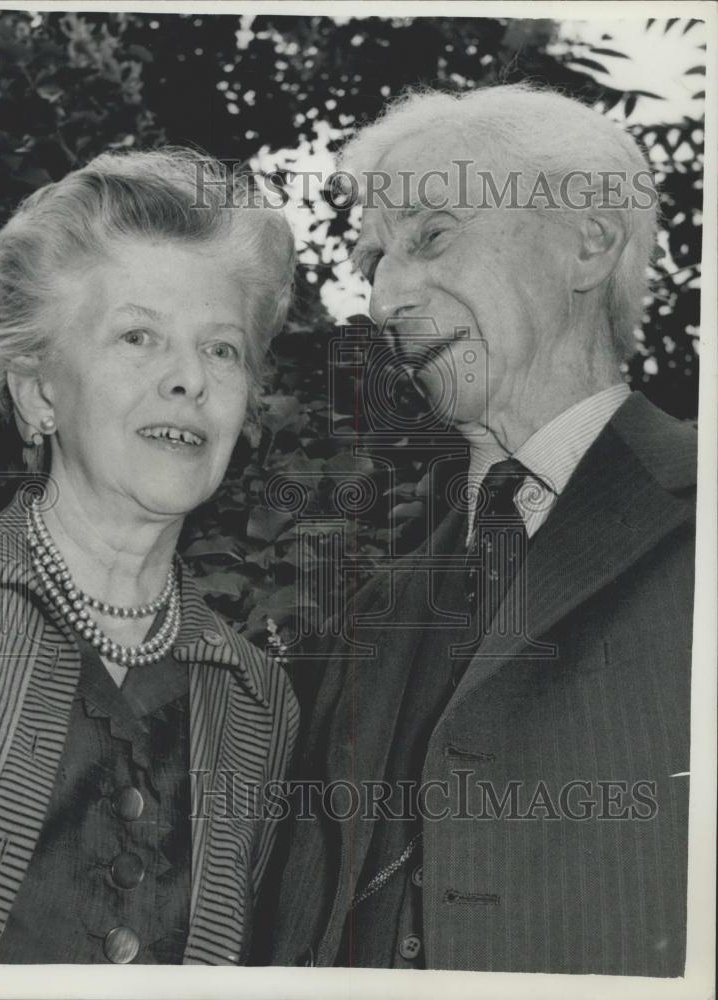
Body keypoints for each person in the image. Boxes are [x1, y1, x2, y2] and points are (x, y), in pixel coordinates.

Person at [267, 84, 697, 976]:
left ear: (588, 242)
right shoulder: (357, 616)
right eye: (374, 259)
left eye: (431, 237)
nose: (384, 299)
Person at [0, 147, 299, 965]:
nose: (188, 381)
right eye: (139, 335)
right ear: (38, 392)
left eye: (222, 349)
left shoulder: (259, 701)